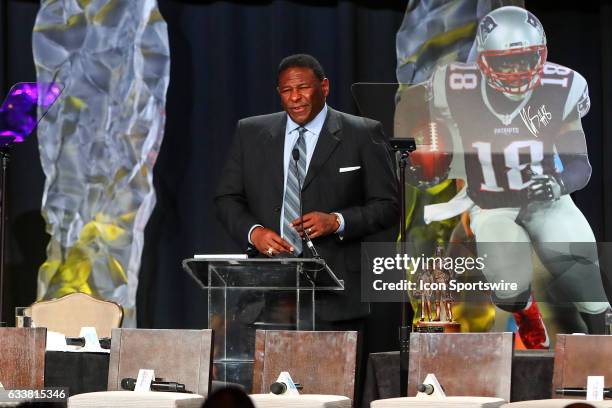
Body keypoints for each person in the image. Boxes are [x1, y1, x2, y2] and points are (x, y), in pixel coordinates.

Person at [415, 6, 610, 344]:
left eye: (526, 58)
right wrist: (433, 168)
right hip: (490, 201)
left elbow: (580, 163)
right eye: (506, 61)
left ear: (542, 54)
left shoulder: (561, 85)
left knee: (585, 278)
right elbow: (447, 153)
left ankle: (605, 352)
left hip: (546, 199)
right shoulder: (454, 86)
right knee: (508, 287)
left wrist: (558, 183)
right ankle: (527, 314)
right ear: (484, 60)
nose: (518, 70)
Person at [214, 54, 399, 400]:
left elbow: (388, 207)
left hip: (336, 297)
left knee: (330, 396)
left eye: (302, 88)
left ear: (324, 87)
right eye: (286, 91)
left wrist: (338, 221)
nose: (295, 97)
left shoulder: (362, 133)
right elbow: (226, 198)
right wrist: (255, 232)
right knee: (271, 397)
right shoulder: (251, 132)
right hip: (268, 296)